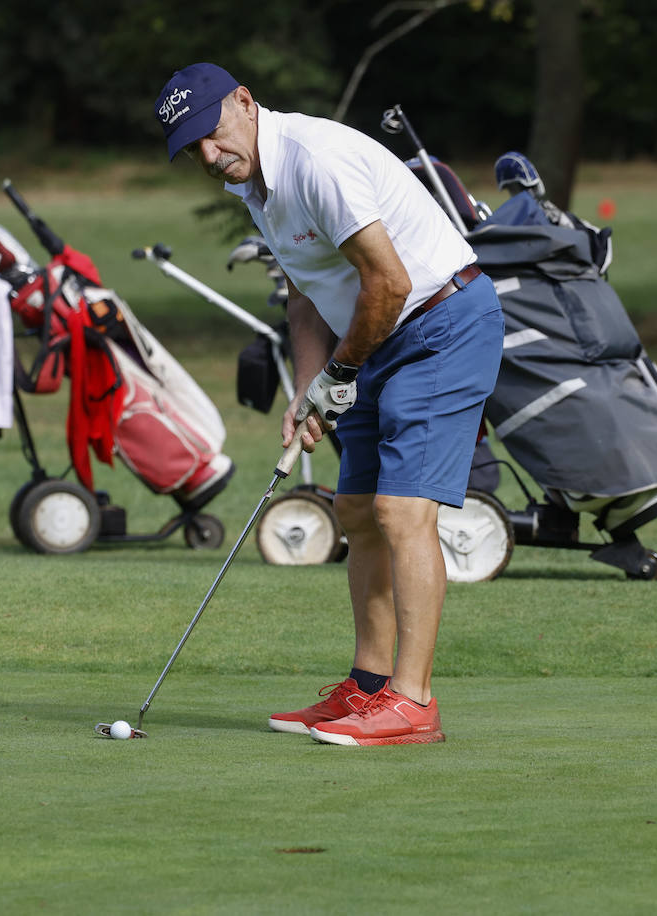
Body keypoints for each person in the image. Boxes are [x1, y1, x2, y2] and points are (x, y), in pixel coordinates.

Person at [155, 63, 503, 746]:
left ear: (246, 103)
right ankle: (368, 688)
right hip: (374, 336)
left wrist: (339, 373)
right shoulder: (255, 180)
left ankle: (413, 702)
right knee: (355, 511)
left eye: (212, 133)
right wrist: (309, 386)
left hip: (440, 322)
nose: (208, 154)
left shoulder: (315, 161)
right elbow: (305, 289)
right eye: (190, 148)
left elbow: (391, 280)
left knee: (403, 512)